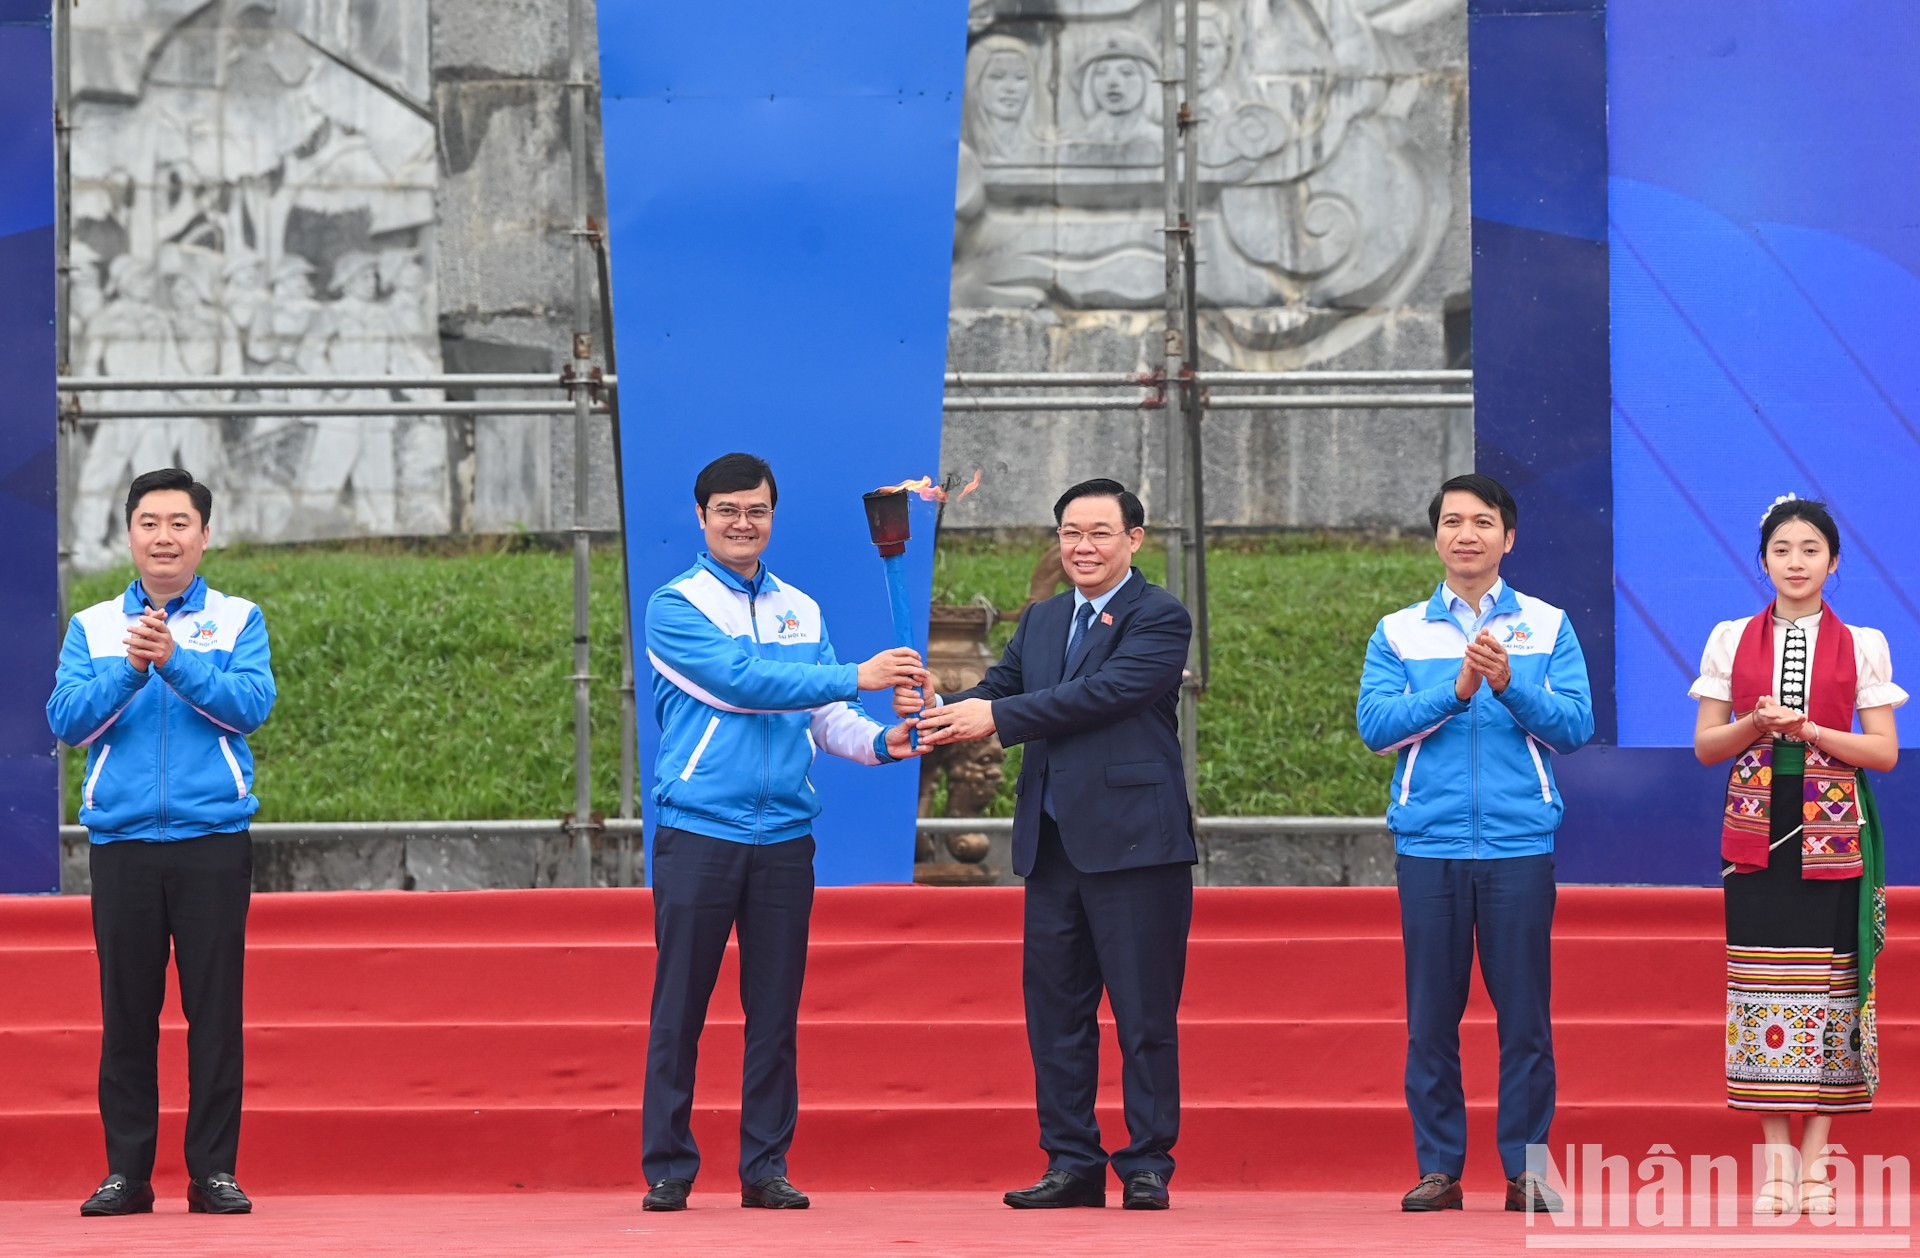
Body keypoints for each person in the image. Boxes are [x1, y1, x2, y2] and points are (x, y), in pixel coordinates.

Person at [640, 453, 926, 1213]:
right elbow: (741, 685)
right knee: (682, 1006)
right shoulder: (676, 607)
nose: (743, 523)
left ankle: (764, 1164)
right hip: (701, 830)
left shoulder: (800, 607)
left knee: (774, 1010)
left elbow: (822, 717)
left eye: (757, 511)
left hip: (784, 839)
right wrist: (855, 675)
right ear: (701, 517)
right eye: (728, 510)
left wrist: (879, 742)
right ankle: (669, 1163)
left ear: (773, 516)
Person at [901, 477, 1195, 1211]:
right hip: (1055, 843)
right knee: (1057, 1014)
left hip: (1135, 846)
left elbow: (1102, 695)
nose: (1083, 546)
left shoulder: (1158, 617)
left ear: (1134, 539)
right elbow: (997, 687)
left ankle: (1148, 1161)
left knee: (1143, 1013)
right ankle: (1072, 1160)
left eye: (1099, 532)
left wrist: (992, 720)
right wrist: (938, 709)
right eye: (1070, 532)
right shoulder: (1041, 621)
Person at [1356, 473, 1593, 1213]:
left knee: (1525, 1016)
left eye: (1482, 522)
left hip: (1519, 844)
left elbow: (1574, 726)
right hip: (1429, 846)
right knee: (1431, 1019)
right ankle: (1439, 1169)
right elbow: (1376, 726)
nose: (1467, 534)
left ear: (1508, 537)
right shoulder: (1400, 629)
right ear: (1436, 538)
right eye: (1453, 521)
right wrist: (1457, 689)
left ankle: (1525, 1170)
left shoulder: (1548, 626)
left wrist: (1510, 683)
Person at [47, 467, 277, 1218]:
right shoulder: (91, 625)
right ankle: (127, 1173)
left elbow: (251, 705)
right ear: (129, 535)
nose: (165, 537)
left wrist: (178, 663)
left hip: (213, 841)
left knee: (216, 1014)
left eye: (180, 523)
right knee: (127, 1016)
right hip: (123, 846)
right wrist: (130, 670)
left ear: (205, 536)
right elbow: (67, 720)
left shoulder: (240, 618)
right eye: (150, 522)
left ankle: (213, 1172)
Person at [1691, 496, 1901, 1217]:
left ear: (1833, 562)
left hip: (1834, 828)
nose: (1796, 562)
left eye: (1811, 549)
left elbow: (1884, 751)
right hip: (1754, 829)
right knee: (1762, 988)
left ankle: (1817, 1162)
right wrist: (1754, 721)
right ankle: (1776, 1158)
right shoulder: (1728, 638)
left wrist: (1812, 730)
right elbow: (1706, 746)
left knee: (1831, 988)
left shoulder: (1864, 643)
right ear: (1763, 561)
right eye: (1782, 549)